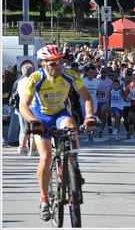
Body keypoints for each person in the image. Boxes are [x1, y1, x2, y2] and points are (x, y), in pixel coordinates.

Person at [19, 45, 96, 221]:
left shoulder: (70, 74)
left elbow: (87, 98)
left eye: (61, 61)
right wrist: (33, 122)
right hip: (41, 116)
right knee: (45, 158)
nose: (59, 66)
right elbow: (23, 105)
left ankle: (71, 166)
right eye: (54, 64)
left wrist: (89, 117)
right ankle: (44, 198)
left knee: (70, 127)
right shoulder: (36, 77)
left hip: (61, 112)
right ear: (44, 65)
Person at [16, 63, 38, 156]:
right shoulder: (33, 81)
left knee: (26, 127)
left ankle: (22, 147)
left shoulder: (20, 82)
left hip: (23, 105)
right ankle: (32, 149)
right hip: (33, 105)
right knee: (34, 128)